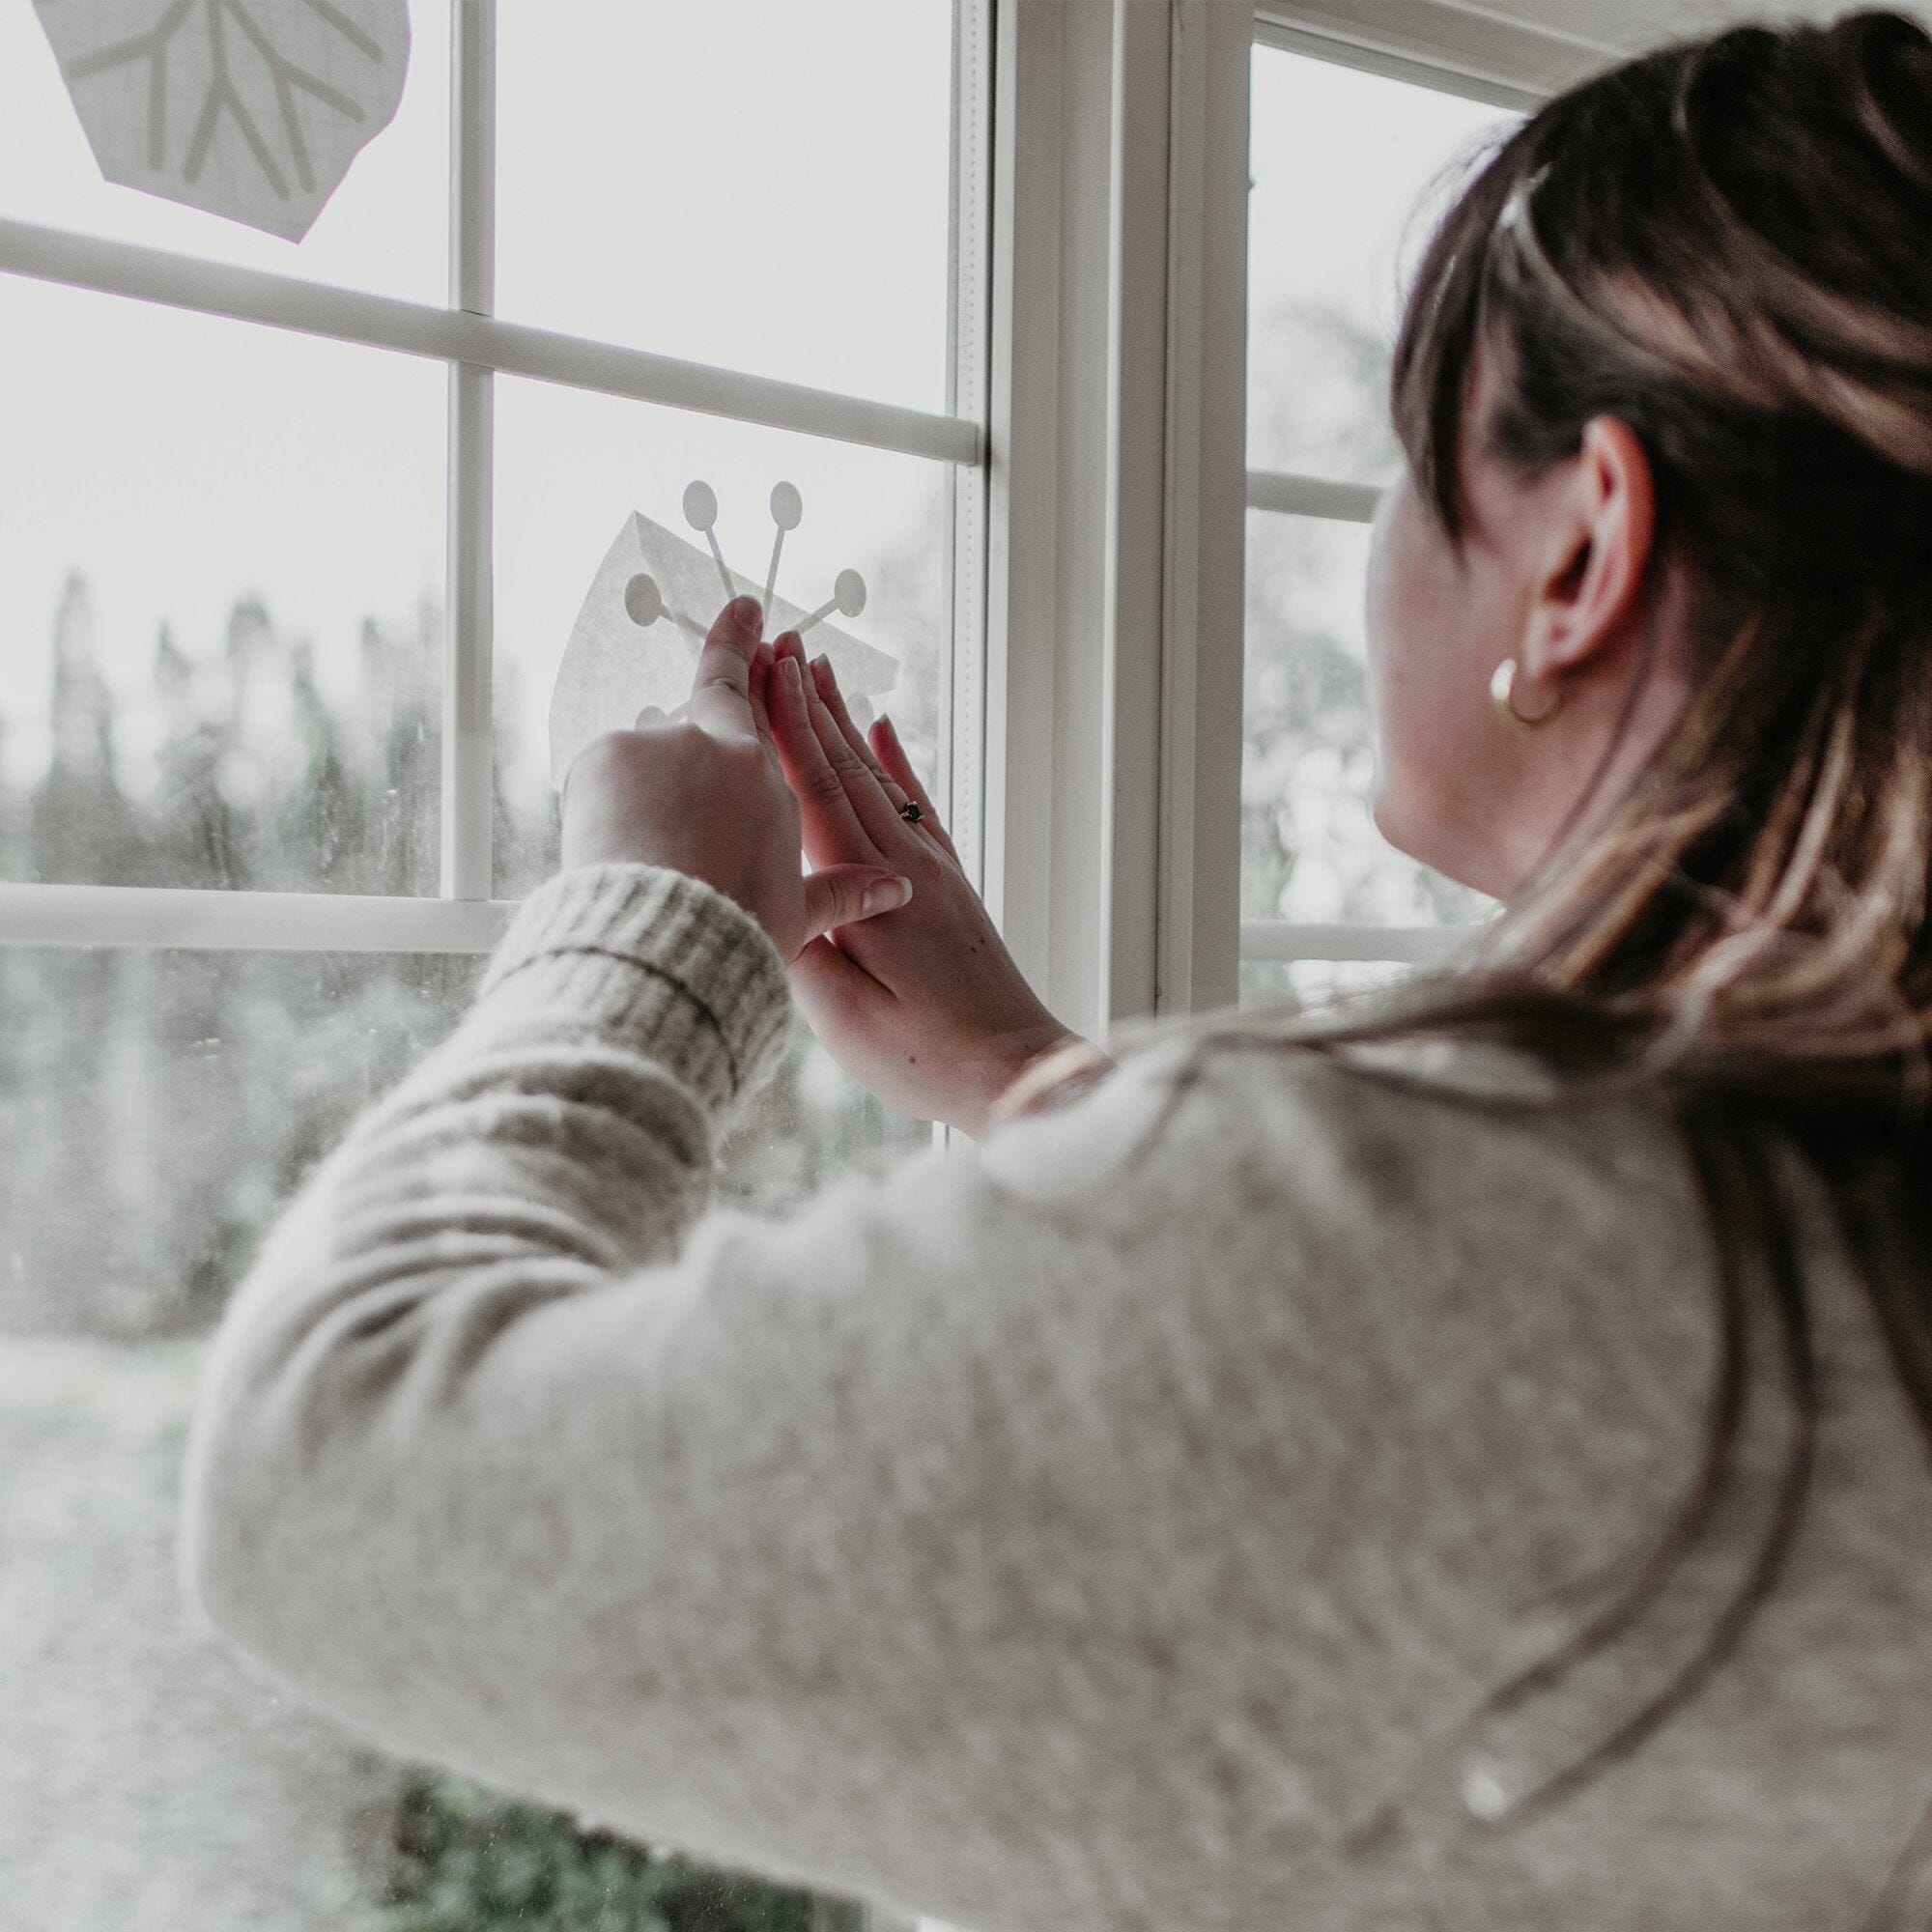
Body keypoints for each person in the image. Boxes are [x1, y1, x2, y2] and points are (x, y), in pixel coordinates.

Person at [177, 13, 1932, 1929]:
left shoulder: (1416, 1238)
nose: (1367, 547)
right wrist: (1025, 1074)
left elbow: (327, 1482)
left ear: (1584, 550)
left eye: (1404, 462)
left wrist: (650, 919)